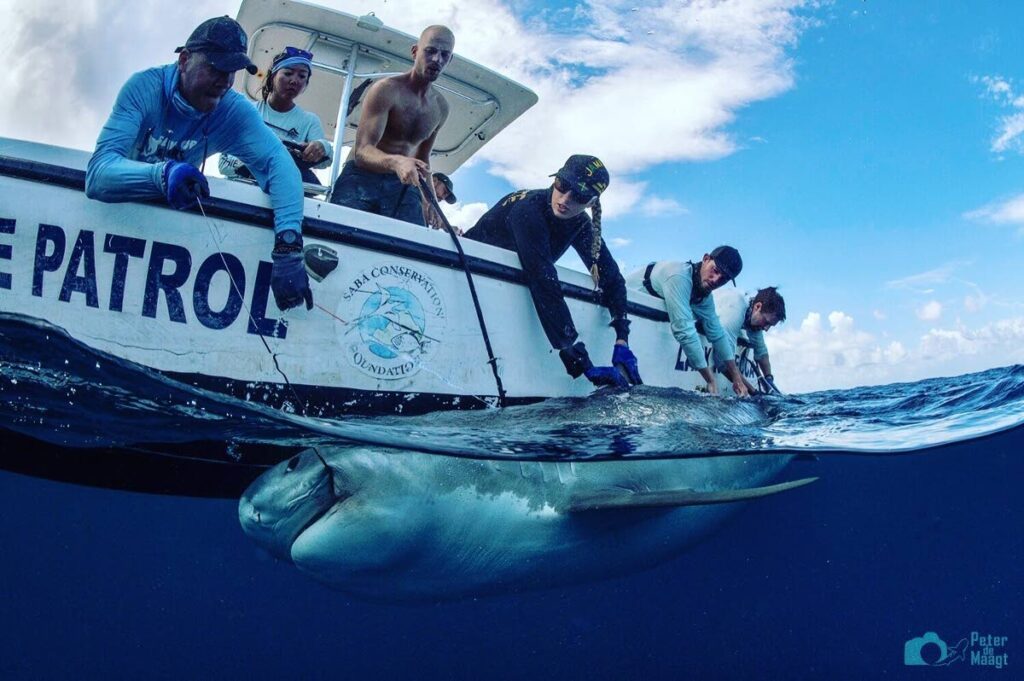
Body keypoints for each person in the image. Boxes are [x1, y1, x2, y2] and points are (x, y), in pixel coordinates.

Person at [85, 16, 312, 312]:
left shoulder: (233, 111)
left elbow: (278, 165)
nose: (224, 81)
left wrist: (288, 246)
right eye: (215, 68)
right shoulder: (143, 88)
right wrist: (163, 174)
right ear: (184, 60)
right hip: (111, 224)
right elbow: (98, 176)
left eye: (232, 71)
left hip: (166, 243)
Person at [464, 154, 639, 390]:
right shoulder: (528, 208)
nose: (565, 199)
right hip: (466, 269)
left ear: (590, 203)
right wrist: (582, 362)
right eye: (562, 185)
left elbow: (613, 279)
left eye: (578, 196)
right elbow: (542, 278)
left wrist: (622, 339)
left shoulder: (579, 223)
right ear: (555, 178)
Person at [329, 25, 454, 227]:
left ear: (450, 59)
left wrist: (432, 202)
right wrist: (397, 162)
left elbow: (422, 158)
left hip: (401, 185)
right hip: (360, 176)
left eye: (444, 54)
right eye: (430, 51)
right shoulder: (385, 89)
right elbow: (362, 151)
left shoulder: (441, 107)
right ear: (415, 51)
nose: (437, 59)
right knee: (340, 237)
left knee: (412, 246)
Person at [627, 247, 750, 396]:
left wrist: (737, 378)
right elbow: (684, 331)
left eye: (723, 279)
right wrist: (710, 379)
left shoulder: (704, 296)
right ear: (706, 259)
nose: (716, 280)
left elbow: (717, 334)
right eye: (715, 270)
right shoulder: (679, 276)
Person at [219, 47, 333, 185]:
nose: (294, 81)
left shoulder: (310, 121)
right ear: (272, 76)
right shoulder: (247, 110)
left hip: (282, 194)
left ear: (306, 84)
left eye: (302, 76)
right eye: (288, 73)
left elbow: (325, 162)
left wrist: (322, 146)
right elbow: (223, 165)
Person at [713, 286, 786, 393]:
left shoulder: (753, 318)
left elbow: (761, 353)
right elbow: (722, 360)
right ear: (758, 306)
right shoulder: (735, 310)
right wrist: (753, 392)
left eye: (770, 325)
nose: (766, 329)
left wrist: (769, 379)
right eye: (766, 322)